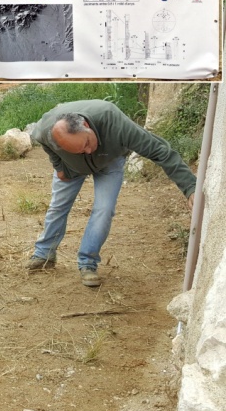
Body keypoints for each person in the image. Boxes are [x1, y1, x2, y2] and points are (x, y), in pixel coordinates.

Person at [27, 99, 197, 287]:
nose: (88, 151)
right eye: (79, 150)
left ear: (86, 125)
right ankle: (44, 254)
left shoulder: (114, 122)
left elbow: (160, 151)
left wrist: (190, 187)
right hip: (70, 166)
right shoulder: (45, 130)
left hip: (109, 161)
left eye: (87, 143)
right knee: (58, 206)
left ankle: (87, 263)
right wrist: (59, 166)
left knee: (104, 209)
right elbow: (45, 144)